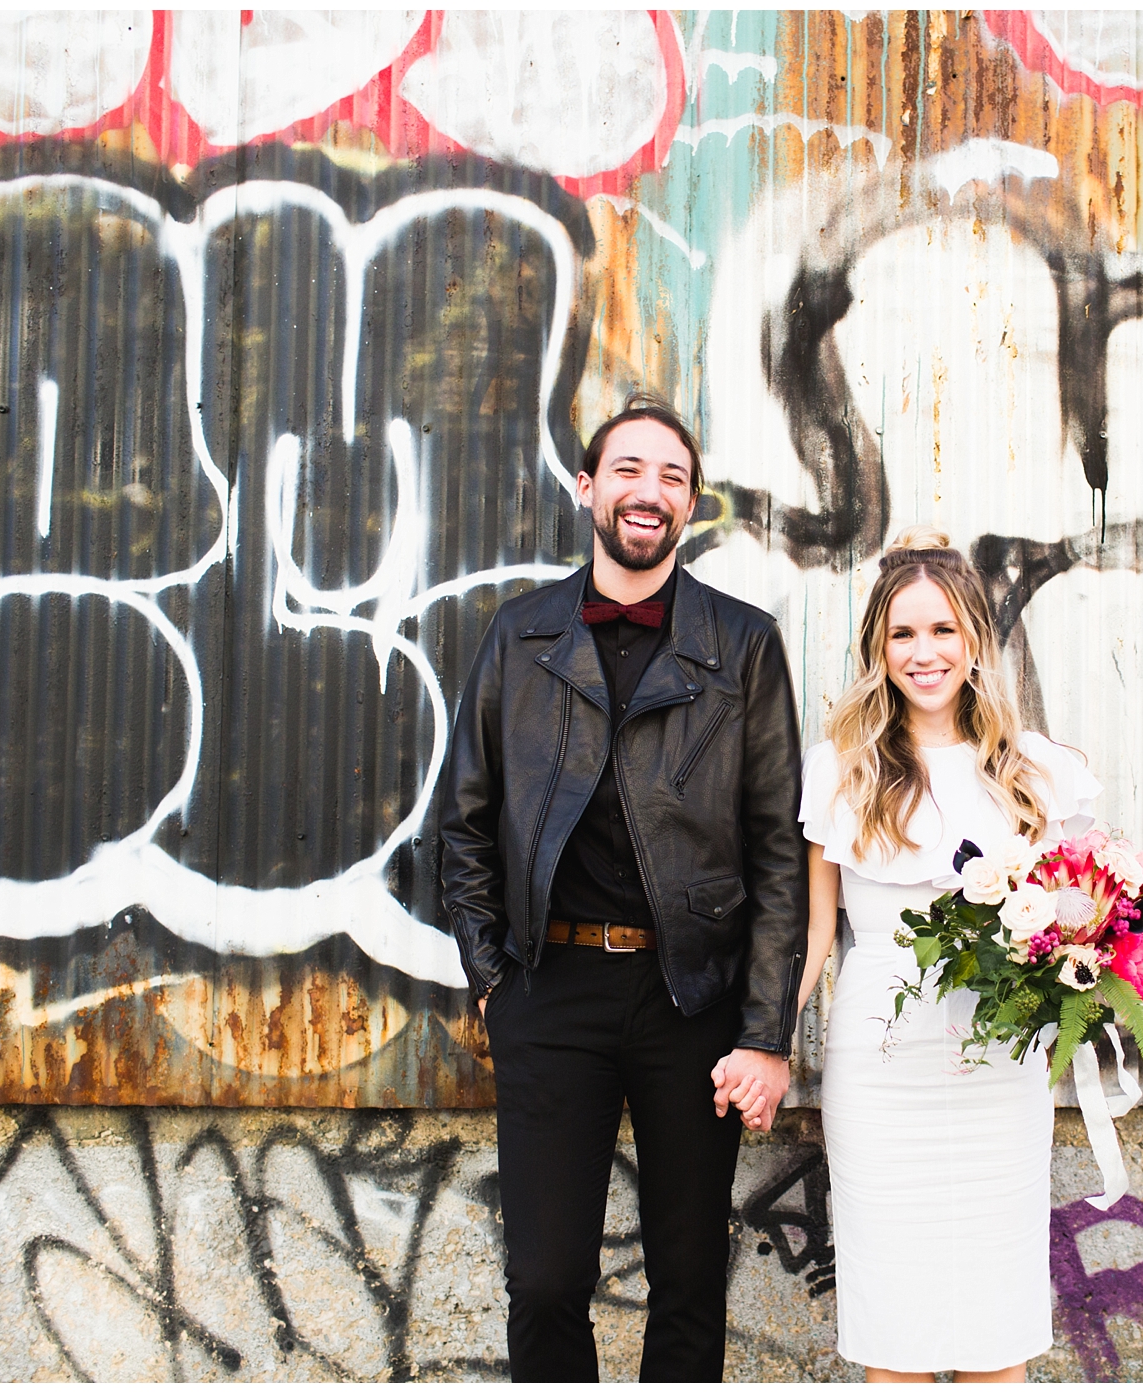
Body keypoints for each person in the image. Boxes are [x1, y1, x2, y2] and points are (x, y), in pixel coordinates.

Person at [438, 391, 806, 1382]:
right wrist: (492, 980)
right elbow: (463, 822)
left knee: (688, 1279)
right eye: (631, 470)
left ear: (691, 504)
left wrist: (765, 1031)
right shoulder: (519, 639)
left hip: (693, 999)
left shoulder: (743, 647)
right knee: (548, 1279)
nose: (651, 492)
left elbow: (779, 852)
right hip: (550, 991)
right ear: (588, 486)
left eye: (673, 477)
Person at [793, 526, 1100, 1382]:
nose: (923, 652)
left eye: (942, 631)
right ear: (877, 648)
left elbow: (1079, 914)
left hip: (999, 1061)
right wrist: (766, 1041)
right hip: (881, 1062)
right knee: (892, 1308)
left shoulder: (1035, 769)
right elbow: (818, 932)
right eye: (902, 633)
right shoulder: (842, 768)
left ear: (974, 640)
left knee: (995, 1308)